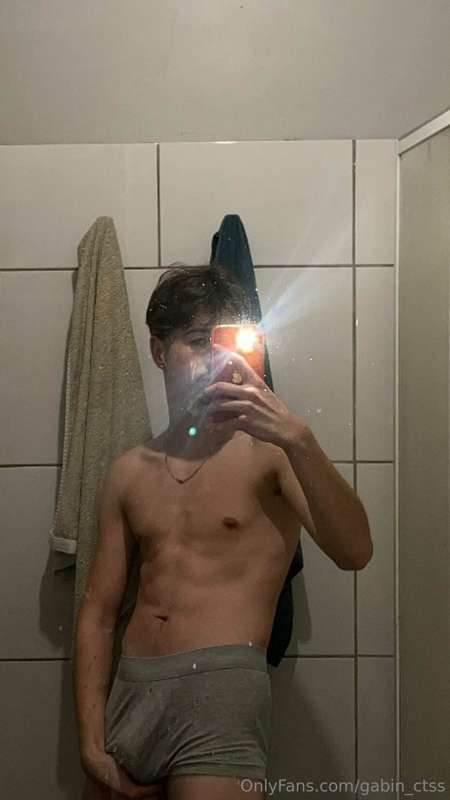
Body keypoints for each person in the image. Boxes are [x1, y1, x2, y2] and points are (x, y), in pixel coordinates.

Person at [75, 266, 373, 800]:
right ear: (159, 351)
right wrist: (91, 742)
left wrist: (299, 438)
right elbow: (98, 612)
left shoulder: (272, 454)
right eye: (196, 341)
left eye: (224, 342)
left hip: (221, 692)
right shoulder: (128, 472)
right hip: (132, 690)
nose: (213, 359)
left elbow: (355, 552)